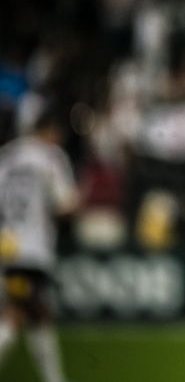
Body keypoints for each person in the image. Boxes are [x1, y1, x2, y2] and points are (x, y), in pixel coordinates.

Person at [0, 101, 79, 382]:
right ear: (49, 129)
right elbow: (65, 204)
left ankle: (54, 378)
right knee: (16, 312)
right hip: (33, 248)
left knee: (39, 314)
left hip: (8, 245)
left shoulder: (6, 156)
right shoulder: (50, 157)